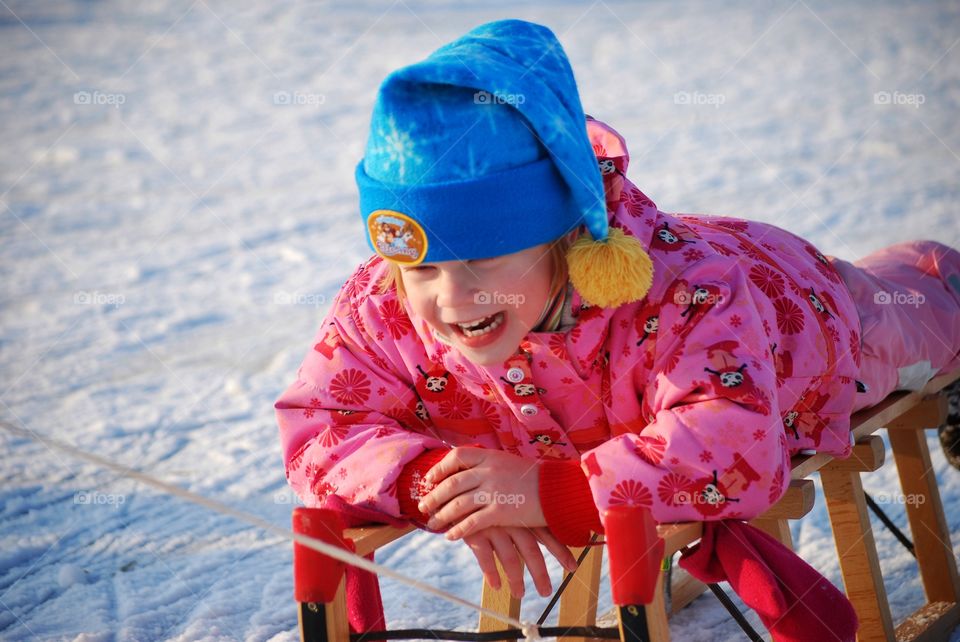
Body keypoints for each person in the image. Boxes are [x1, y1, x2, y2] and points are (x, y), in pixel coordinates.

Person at [274, 18, 960, 636]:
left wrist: (549, 491)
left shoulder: (688, 294)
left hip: (799, 318)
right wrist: (441, 483)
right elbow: (318, 424)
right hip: (624, 395)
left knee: (918, 316)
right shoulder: (384, 299)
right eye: (421, 268)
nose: (451, 296)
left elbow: (735, 438)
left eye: (481, 259)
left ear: (560, 235)